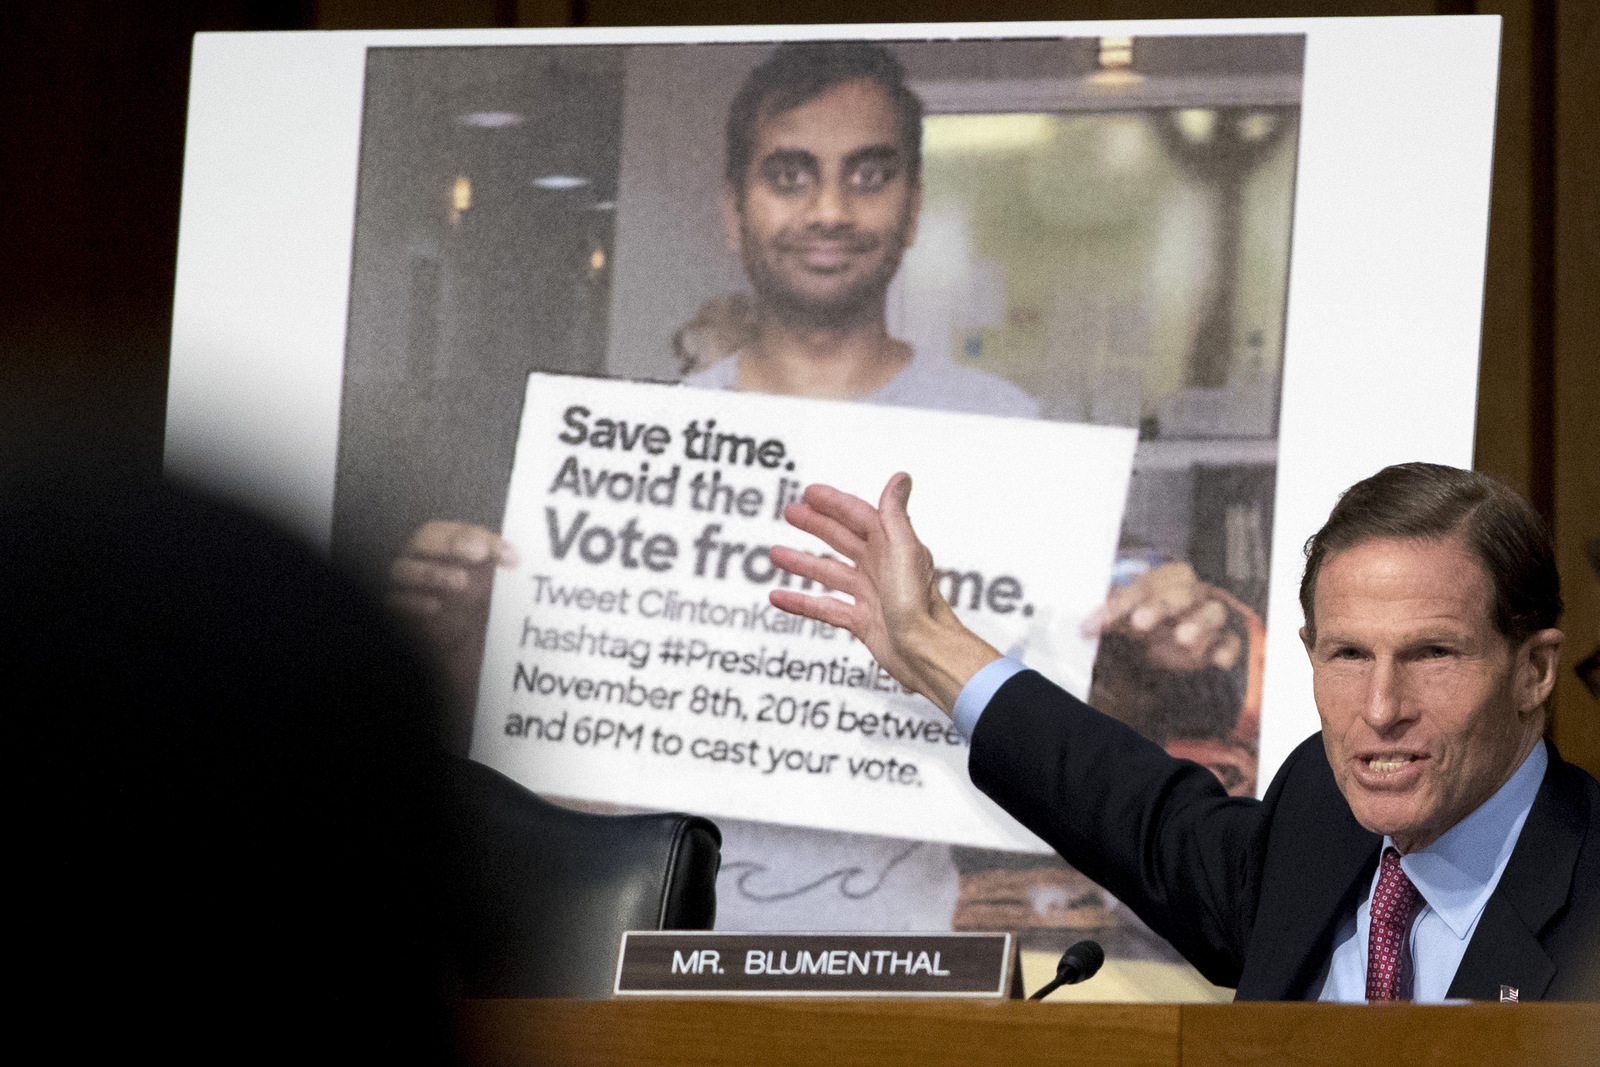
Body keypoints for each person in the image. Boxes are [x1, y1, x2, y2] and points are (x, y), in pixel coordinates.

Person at [388, 42, 1257, 936]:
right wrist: (462, 648)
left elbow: (1071, 734)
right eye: (792, 175)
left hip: (919, 954)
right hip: (659, 949)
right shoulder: (647, 445)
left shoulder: (1011, 432)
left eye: (868, 174)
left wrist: (1140, 666)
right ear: (734, 210)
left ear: (914, 204)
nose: (831, 210)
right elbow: (559, 781)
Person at [768, 462, 1599, 1000]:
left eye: (1433, 654)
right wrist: (928, 643)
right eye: (1348, 654)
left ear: (1535, 671)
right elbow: (1137, 810)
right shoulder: (1321, 805)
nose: (1380, 708)